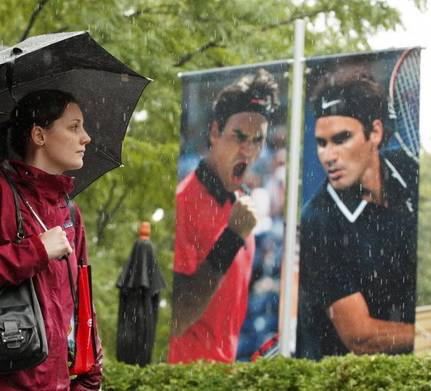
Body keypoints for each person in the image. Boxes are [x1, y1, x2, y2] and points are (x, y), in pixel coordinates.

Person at [0, 89, 103, 390]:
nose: (86, 137)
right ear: (39, 135)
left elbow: (83, 298)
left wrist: (89, 378)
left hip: (55, 382)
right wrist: (37, 250)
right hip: (1, 380)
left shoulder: (68, 209)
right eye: (73, 127)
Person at [296, 67, 418, 359]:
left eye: (341, 138)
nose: (328, 155)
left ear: (374, 132)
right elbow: (360, 336)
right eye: (322, 143)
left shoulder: (410, 172)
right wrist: (424, 332)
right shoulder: (318, 221)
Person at [169, 68, 280, 363]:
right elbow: (177, 318)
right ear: (215, 133)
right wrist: (231, 238)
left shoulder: (242, 203)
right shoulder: (183, 203)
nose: (248, 150)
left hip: (222, 371)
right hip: (185, 377)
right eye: (239, 136)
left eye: (258, 140)